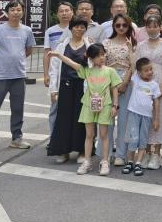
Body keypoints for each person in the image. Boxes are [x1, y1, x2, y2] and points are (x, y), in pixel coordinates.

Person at [47, 43, 121, 175]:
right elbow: (71, 63)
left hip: (105, 106)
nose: (102, 57)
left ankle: (105, 161)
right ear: (91, 58)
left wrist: (115, 106)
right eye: (98, 56)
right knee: (89, 135)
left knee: (104, 135)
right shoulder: (87, 70)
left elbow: (114, 89)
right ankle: (87, 161)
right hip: (88, 105)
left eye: (103, 54)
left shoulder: (110, 71)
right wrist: (58, 55)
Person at [0, 1, 35, 155]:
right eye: (12, 10)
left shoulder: (27, 30)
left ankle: (16, 139)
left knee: (18, 109)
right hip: (0, 76)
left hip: (19, 76)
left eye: (19, 9)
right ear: (7, 12)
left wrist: (16, 59)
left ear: (23, 12)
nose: (16, 12)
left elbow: (28, 50)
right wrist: (0, 63)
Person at [47, 17, 92, 162]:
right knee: (63, 119)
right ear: (71, 28)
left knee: (82, 119)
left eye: (82, 27)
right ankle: (63, 151)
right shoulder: (62, 46)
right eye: (76, 26)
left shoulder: (90, 46)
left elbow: (92, 68)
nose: (79, 29)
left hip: (83, 87)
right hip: (65, 86)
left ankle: (82, 152)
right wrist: (53, 89)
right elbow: (54, 68)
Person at [134, 14, 162, 170]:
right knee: (145, 120)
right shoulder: (141, 46)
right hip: (144, 86)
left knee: (159, 119)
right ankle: (145, 152)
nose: (152, 29)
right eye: (149, 26)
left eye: (155, 26)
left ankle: (156, 153)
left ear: (160, 27)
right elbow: (137, 68)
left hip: (160, 85)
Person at [103, 13, 135, 166]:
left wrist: (125, 82)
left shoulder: (133, 43)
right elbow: (102, 63)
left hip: (126, 81)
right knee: (107, 118)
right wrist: (109, 83)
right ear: (113, 26)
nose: (121, 28)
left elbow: (133, 65)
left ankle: (121, 155)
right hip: (108, 81)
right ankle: (106, 153)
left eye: (124, 25)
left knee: (124, 120)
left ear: (128, 26)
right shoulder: (106, 43)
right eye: (118, 25)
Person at [121, 57, 161, 176]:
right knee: (132, 139)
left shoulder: (154, 85)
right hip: (134, 114)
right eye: (146, 70)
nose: (149, 72)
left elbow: (156, 102)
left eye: (151, 69)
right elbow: (133, 64)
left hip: (147, 117)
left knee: (143, 140)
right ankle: (130, 162)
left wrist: (156, 119)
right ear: (139, 72)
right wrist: (130, 49)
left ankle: (138, 163)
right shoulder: (136, 80)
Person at [44, 1, 74, 133]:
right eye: (61, 11)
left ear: (72, 12)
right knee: (55, 105)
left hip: (73, 72)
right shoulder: (50, 31)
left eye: (67, 10)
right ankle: (53, 136)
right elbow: (47, 53)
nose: (64, 13)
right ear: (57, 14)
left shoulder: (77, 28)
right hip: (56, 72)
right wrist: (46, 74)